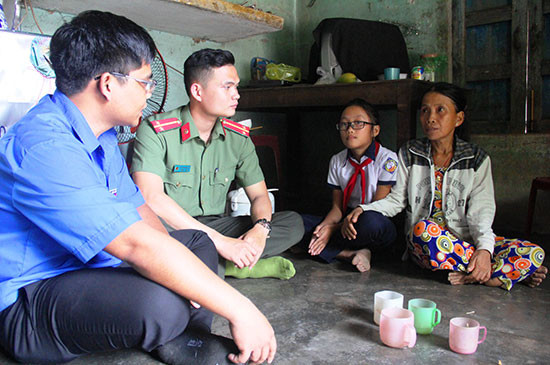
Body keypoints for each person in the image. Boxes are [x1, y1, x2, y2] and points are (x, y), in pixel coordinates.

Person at [0, 11, 276, 364]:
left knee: (197, 244)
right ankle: (170, 329)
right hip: (32, 298)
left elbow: (140, 210)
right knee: (159, 303)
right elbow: (134, 243)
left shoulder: (100, 135)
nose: (150, 93)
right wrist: (242, 309)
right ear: (108, 84)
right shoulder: (45, 147)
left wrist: (183, 274)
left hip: (92, 269)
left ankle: (183, 338)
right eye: (145, 82)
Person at [131, 48, 304, 279]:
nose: (237, 95)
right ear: (197, 91)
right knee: (145, 235)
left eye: (236, 86)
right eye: (227, 87)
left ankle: (216, 263)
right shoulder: (156, 131)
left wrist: (260, 230)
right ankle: (232, 264)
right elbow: (150, 198)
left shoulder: (238, 138)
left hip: (217, 226)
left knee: (293, 223)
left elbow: (260, 196)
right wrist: (221, 243)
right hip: (173, 227)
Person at [359, 82, 547, 290]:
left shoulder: (476, 158)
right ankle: (503, 273)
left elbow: (482, 212)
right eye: (425, 110)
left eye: (440, 110)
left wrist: (484, 250)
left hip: (466, 243)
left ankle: (478, 271)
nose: (430, 118)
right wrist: (364, 209)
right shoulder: (410, 152)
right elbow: (396, 201)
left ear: (459, 118)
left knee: (534, 251)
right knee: (422, 230)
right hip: (427, 244)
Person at [300, 99, 398, 272]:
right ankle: (350, 253)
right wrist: (325, 228)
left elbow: (377, 206)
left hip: (373, 220)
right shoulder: (337, 160)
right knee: (298, 224)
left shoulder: (387, 160)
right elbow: (337, 208)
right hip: (345, 221)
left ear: (375, 130)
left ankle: (332, 249)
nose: (350, 129)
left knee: (370, 223)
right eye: (344, 124)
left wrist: (333, 229)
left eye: (358, 123)